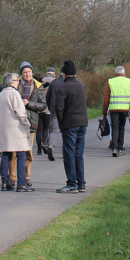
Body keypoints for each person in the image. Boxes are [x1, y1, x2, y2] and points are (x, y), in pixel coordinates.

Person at [9, 62, 47, 187]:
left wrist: (28, 103)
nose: (27, 74)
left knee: (28, 152)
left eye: (29, 72)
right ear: (21, 74)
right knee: (13, 152)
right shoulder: (15, 84)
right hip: (15, 123)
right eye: (25, 72)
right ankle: (12, 177)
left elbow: (43, 105)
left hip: (30, 124)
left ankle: (26, 177)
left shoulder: (38, 86)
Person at [53, 60, 88, 193]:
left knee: (69, 153)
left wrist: (61, 122)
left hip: (70, 124)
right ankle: (81, 183)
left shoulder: (63, 88)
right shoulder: (81, 85)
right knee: (79, 154)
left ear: (64, 74)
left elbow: (58, 107)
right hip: (82, 123)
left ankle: (71, 183)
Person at [0, 73, 34, 192]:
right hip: (16, 129)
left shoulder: (1, 94)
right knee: (21, 154)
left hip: (4, 129)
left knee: (6, 154)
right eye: (16, 80)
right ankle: (21, 183)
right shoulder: (14, 94)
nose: (18, 82)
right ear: (10, 82)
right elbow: (21, 113)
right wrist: (27, 124)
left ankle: (4, 181)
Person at [102, 66, 130, 157]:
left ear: (115, 73)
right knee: (121, 128)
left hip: (113, 108)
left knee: (114, 128)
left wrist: (104, 111)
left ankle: (114, 148)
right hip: (124, 109)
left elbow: (106, 98)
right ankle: (120, 148)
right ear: (124, 73)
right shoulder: (129, 81)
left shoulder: (111, 81)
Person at [36, 67, 57, 159]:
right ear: (54, 74)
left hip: (37, 108)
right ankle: (44, 143)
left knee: (38, 129)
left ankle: (39, 149)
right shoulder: (55, 82)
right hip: (48, 109)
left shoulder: (40, 80)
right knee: (46, 129)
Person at [45, 68, 65, 154]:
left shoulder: (54, 82)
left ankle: (51, 146)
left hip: (54, 109)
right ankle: (65, 151)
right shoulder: (67, 83)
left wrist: (50, 107)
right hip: (65, 110)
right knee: (65, 131)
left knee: (53, 130)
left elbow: (48, 97)